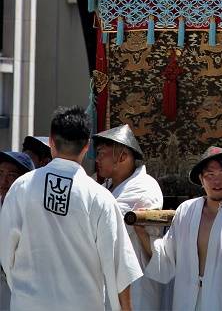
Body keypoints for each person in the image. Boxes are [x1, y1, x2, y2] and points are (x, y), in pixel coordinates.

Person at [0, 105, 142, 311]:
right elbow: (119, 266)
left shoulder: (21, 188)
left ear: (50, 141)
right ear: (86, 147)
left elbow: (5, 251)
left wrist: (23, 289)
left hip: (29, 303)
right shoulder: (99, 197)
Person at [136, 145, 222, 311]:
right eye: (210, 175)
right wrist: (141, 232)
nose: (217, 181)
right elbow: (167, 255)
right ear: (201, 179)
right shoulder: (186, 210)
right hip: (187, 298)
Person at [93, 124, 164, 310]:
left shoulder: (143, 187)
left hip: (136, 286)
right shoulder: (106, 186)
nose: (97, 159)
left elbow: (102, 220)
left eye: (102, 153)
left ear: (122, 156)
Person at [0, 151, 35, 309]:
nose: (4, 181)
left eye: (11, 175)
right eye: (0, 173)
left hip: (22, 294)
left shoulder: (33, 213)